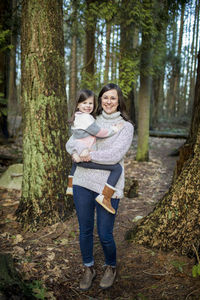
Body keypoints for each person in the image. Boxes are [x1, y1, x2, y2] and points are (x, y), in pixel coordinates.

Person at [65, 83, 134, 291]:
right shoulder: (89, 119)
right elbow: (71, 142)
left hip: (107, 186)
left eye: (113, 98)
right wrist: (75, 153)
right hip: (82, 181)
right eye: (105, 98)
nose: (108, 102)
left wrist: (88, 155)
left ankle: (110, 266)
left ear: (119, 101)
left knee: (104, 233)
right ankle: (89, 268)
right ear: (100, 100)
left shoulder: (126, 127)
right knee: (85, 230)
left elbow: (114, 156)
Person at [66, 89, 123, 214]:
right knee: (118, 168)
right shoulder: (86, 118)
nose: (87, 106)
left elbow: (72, 141)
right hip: (84, 155)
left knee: (76, 163)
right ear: (77, 104)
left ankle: (70, 185)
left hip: (82, 154)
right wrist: (113, 129)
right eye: (84, 103)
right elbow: (100, 133)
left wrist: (75, 152)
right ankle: (105, 196)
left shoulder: (80, 116)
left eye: (90, 103)